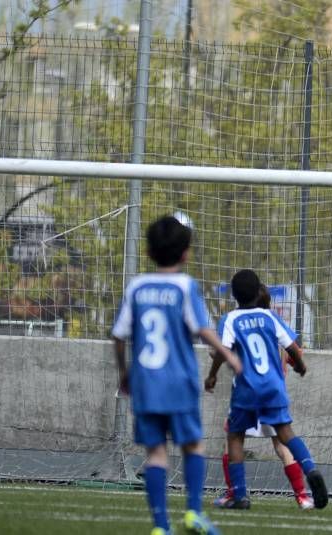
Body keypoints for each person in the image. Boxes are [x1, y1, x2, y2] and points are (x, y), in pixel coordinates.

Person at [111, 215, 242, 535]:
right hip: (179, 381)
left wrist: (124, 372)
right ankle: (193, 513)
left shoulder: (137, 286)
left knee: (155, 453)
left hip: (145, 382)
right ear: (186, 253)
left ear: (149, 252)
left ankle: (160, 526)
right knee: (192, 446)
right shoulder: (185, 286)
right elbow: (202, 329)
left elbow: (118, 335)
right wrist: (228, 355)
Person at [205, 269, 328, 510]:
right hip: (273, 386)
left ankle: (239, 495)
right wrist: (301, 366)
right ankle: (310, 469)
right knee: (286, 434)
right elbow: (292, 347)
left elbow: (222, 351)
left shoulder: (230, 319)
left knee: (235, 436)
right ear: (258, 291)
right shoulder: (271, 317)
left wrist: (212, 375)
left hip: (246, 388)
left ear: (234, 295)